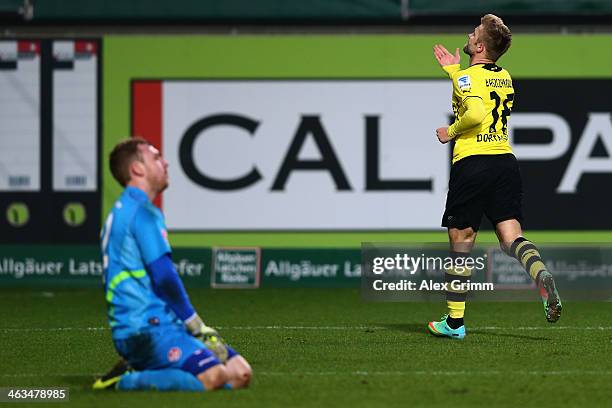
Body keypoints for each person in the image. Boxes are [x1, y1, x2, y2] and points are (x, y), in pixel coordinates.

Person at [427, 14, 562, 340]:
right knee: (511, 238)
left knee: (462, 241)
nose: (469, 35)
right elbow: (480, 95)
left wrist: (451, 131)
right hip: (504, 162)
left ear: (480, 45)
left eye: (473, 33)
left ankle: (455, 322)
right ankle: (540, 272)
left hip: (473, 163)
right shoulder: (505, 76)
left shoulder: (466, 79)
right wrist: (454, 73)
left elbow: (472, 112)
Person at [93, 137, 252, 390]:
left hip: (165, 324)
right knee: (215, 377)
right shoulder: (141, 212)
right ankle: (125, 380)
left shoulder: (129, 209)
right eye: (156, 157)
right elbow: (164, 277)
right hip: (143, 330)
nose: (165, 162)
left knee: (240, 373)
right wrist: (195, 325)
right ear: (137, 169)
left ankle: (152, 368)